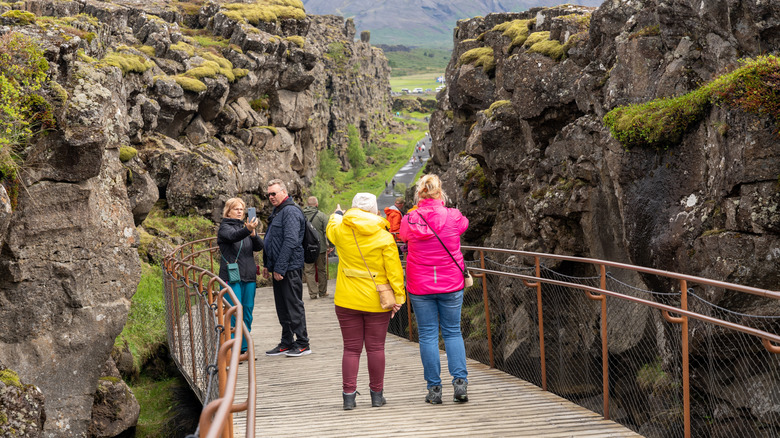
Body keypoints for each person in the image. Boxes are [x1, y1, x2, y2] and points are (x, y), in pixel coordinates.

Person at [327, 193, 405, 410]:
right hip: (376, 300)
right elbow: (394, 272)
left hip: (346, 299)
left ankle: (349, 397)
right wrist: (398, 297)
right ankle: (377, 396)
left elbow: (331, 226)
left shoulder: (341, 230)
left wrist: (338, 214)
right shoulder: (384, 236)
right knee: (376, 348)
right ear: (375, 212)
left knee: (351, 349)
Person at [400, 174, 470, 404]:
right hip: (451, 283)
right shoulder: (454, 216)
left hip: (420, 285)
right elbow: (464, 226)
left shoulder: (411, 218)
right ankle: (460, 384)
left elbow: (403, 236)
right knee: (452, 332)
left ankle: (434, 390)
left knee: (428, 335)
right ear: (440, 192)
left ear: (419, 194)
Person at [263, 179, 311, 357]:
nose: (271, 197)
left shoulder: (290, 211)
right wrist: (269, 265)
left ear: (284, 192)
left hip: (289, 268)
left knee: (293, 305)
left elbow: (291, 241)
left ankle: (303, 343)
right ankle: (287, 342)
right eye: (268, 194)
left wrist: (280, 267)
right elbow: (272, 240)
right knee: (282, 307)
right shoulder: (278, 211)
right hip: (280, 267)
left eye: (274, 193)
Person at [217, 198, 263, 354]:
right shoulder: (224, 227)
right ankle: (234, 348)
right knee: (235, 311)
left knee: (248, 311)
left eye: (242, 209)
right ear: (228, 211)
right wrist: (247, 229)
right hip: (232, 276)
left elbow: (259, 247)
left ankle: (244, 347)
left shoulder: (246, 228)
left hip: (249, 275)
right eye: (236, 209)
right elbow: (232, 237)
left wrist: (253, 234)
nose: (239, 212)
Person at [303, 196, 331, 299]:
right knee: (321, 270)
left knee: (309, 271)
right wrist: (331, 245)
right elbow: (328, 232)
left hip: (306, 248)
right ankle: (322, 292)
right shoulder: (322, 216)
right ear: (316, 204)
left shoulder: (301, 215)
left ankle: (313, 293)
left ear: (307, 205)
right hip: (320, 248)